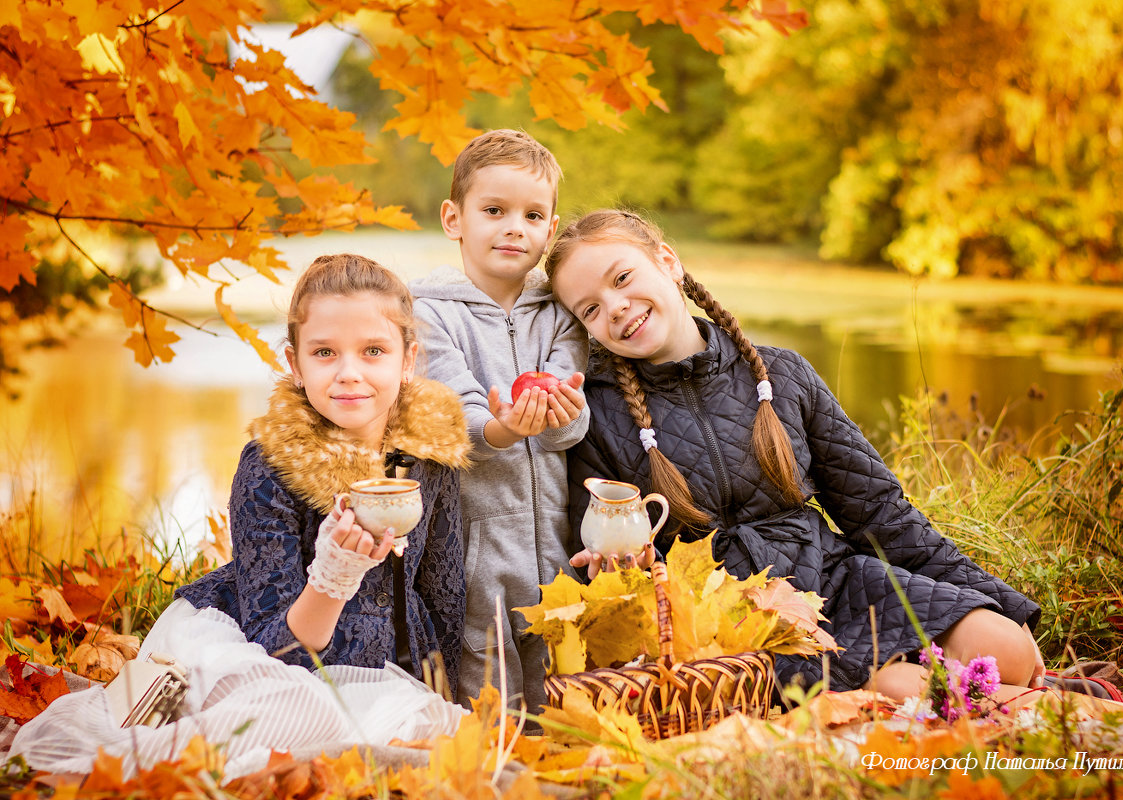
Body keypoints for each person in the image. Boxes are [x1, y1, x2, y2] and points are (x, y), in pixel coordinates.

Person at [544, 209, 1044, 702]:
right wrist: (616, 569)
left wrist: (1005, 605)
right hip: (736, 617)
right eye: (589, 308)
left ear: (668, 262)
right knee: (905, 692)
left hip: (831, 578)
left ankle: (991, 693)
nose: (614, 307)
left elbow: (879, 511)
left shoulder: (781, 375)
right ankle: (1012, 707)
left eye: (623, 277)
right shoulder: (599, 414)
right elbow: (602, 544)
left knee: (1008, 649)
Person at [10, 254, 472, 778]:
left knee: (430, 730)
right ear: (295, 364)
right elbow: (273, 647)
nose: (349, 373)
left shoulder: (429, 459)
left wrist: (441, 687)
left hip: (395, 655)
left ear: (408, 360)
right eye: (324, 352)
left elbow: (443, 592)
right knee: (297, 715)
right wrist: (335, 575)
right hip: (267, 646)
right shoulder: (272, 465)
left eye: (373, 351)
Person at [410, 129, 590, 710]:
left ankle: (555, 755)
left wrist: (558, 414)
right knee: (485, 660)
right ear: (453, 218)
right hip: (475, 533)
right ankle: (486, 758)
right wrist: (503, 429)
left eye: (533, 215)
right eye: (494, 210)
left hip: (556, 532)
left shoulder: (561, 315)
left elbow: (571, 418)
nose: (515, 227)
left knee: (560, 653)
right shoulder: (430, 316)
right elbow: (454, 418)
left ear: (551, 230)